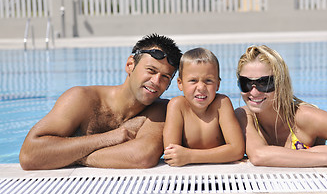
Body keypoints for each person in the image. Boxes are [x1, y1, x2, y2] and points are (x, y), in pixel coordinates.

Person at [19, 34, 182, 170]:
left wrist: (68, 156)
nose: (155, 81)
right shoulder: (81, 99)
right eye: (151, 70)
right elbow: (29, 155)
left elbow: (142, 156)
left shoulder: (160, 110)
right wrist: (107, 138)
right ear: (130, 65)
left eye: (165, 77)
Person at [235, 45, 327, 171]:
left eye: (264, 83)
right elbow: (259, 155)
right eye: (246, 83)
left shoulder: (305, 117)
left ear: (280, 83)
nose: (254, 92)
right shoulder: (244, 116)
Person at [163, 47, 245, 167]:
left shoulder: (222, 104)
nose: (201, 87)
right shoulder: (177, 106)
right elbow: (171, 154)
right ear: (180, 83)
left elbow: (237, 150)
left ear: (218, 84)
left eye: (208, 81)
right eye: (193, 80)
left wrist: (189, 156)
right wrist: (223, 154)